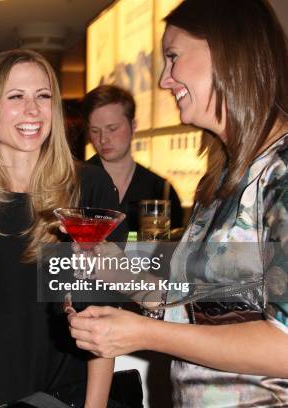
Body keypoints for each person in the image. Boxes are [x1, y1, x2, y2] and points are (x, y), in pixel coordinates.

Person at [68, 0, 288, 406]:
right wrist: (117, 275)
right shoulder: (224, 177)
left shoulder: (282, 173)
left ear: (226, 52)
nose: (165, 81)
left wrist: (145, 334)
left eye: (173, 58)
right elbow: (200, 308)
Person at [0, 49, 127, 408]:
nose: (33, 110)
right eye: (16, 97)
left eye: (43, 96)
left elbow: (104, 312)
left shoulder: (89, 186)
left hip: (63, 388)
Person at [83, 85, 183, 233]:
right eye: (95, 131)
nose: (103, 139)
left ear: (133, 126)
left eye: (112, 129)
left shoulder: (161, 191)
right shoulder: (74, 183)